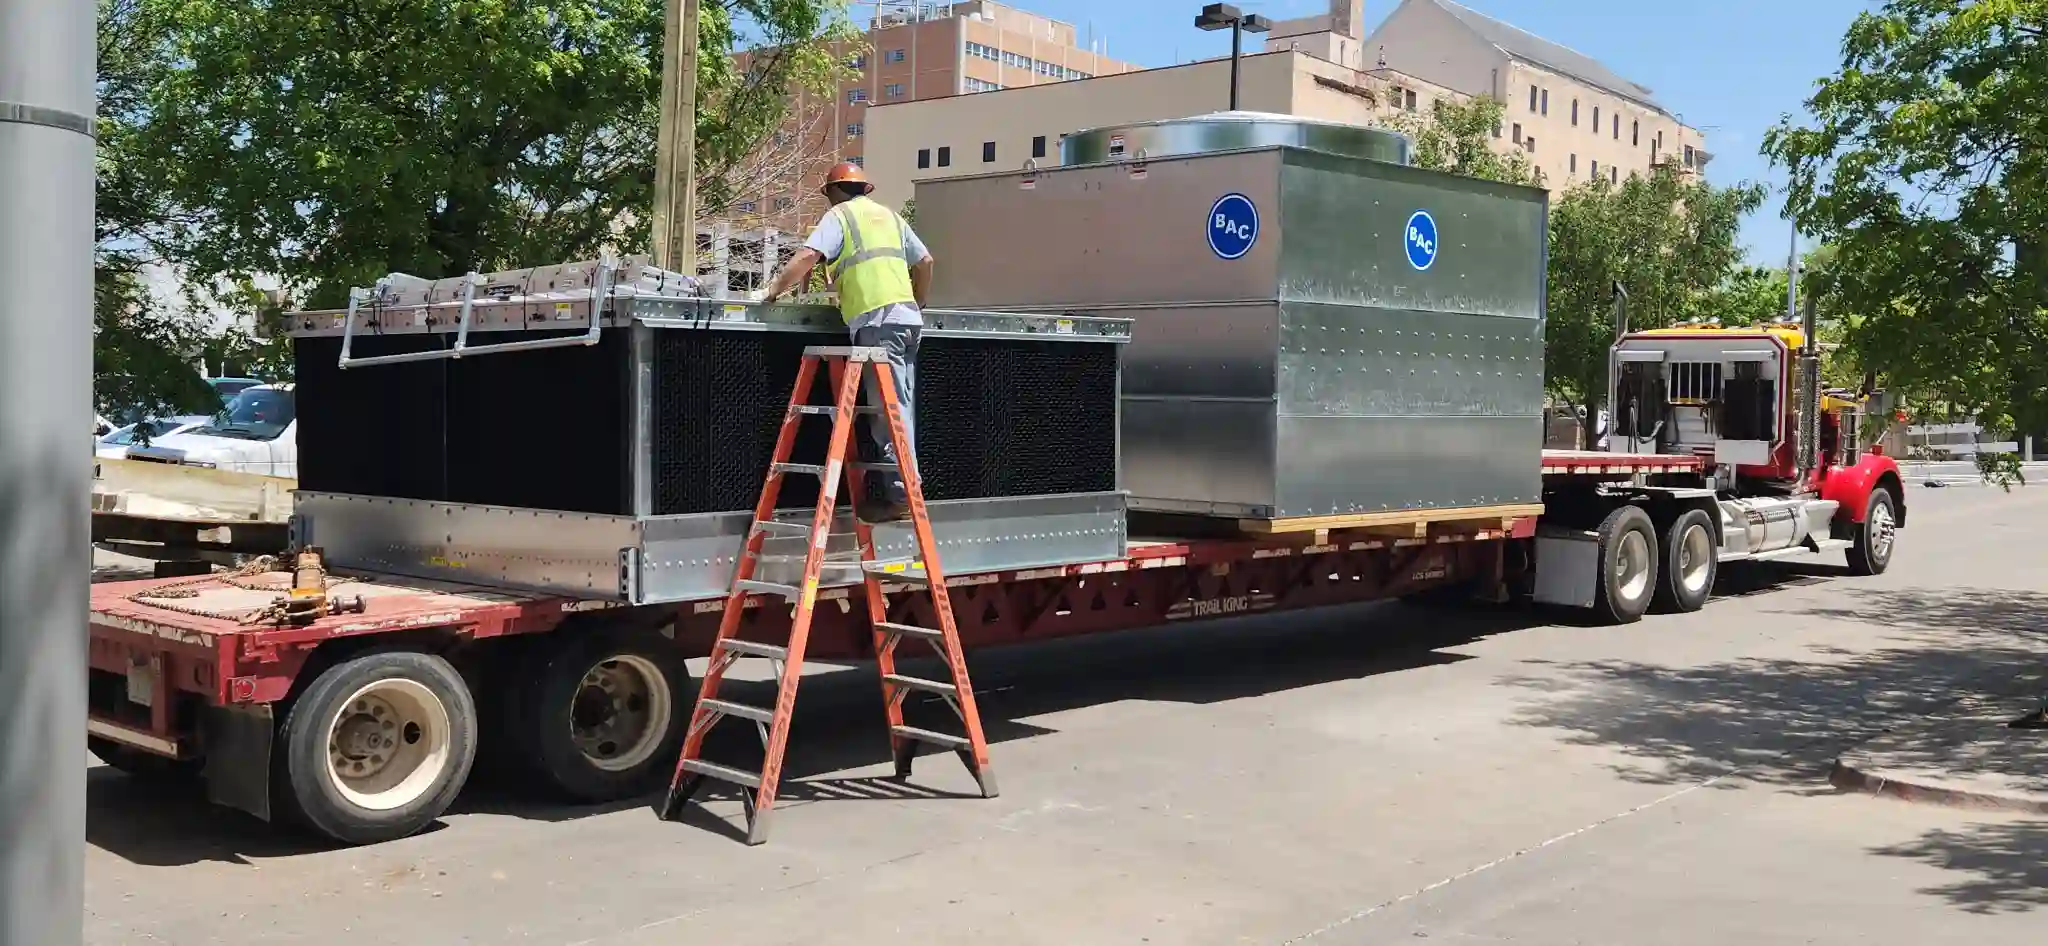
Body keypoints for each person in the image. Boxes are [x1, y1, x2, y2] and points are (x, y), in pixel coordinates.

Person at [759, 161, 935, 523]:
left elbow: (809, 255)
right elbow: (926, 261)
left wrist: (773, 290)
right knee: (901, 407)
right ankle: (904, 491)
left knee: (889, 414)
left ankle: (902, 497)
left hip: (878, 322)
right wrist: (917, 302)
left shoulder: (841, 216)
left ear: (835, 192)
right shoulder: (889, 217)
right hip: (905, 321)